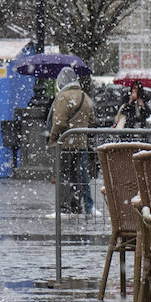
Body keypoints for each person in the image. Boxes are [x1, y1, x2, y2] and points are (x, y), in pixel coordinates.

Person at [49, 66, 96, 214]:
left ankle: (64, 207)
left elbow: (59, 122)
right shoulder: (84, 96)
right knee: (77, 175)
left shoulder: (63, 97)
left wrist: (53, 138)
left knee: (63, 174)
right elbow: (92, 120)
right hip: (81, 144)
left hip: (65, 143)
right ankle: (76, 205)